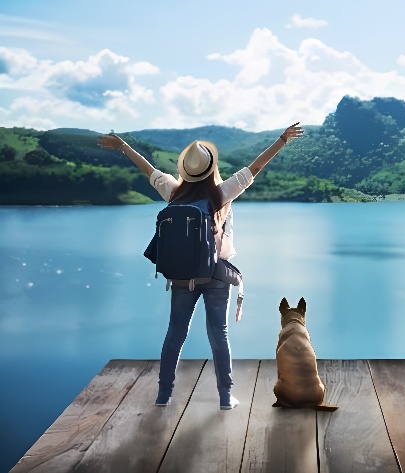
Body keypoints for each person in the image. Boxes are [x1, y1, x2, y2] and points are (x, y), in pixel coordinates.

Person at [98, 123, 303, 410]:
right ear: (211, 169)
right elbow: (254, 168)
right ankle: (224, 397)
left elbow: (147, 170)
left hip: (182, 275)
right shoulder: (221, 193)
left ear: (185, 170)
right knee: (218, 334)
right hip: (217, 273)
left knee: (175, 333)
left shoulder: (173, 192)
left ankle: (163, 395)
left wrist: (123, 147)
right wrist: (281, 140)